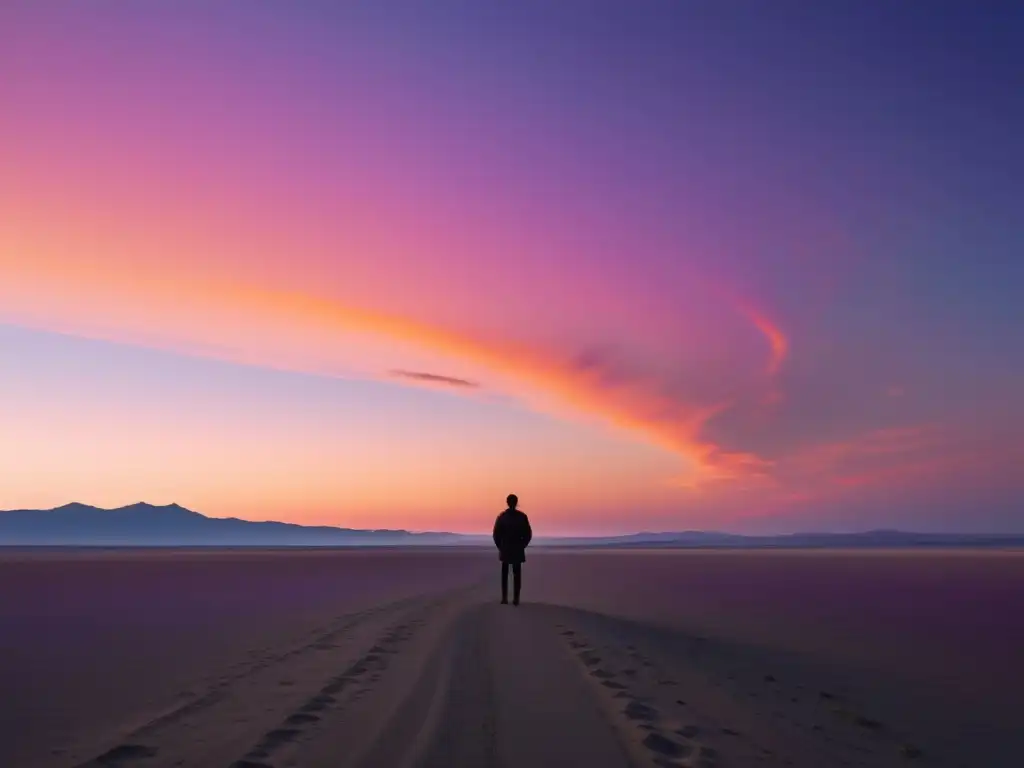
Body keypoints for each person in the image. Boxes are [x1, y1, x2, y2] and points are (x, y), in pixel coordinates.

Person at [492, 493, 532, 605]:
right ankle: (516, 599)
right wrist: (522, 545)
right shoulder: (521, 517)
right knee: (516, 574)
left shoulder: (502, 517)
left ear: (507, 502)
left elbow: (496, 534)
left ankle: (505, 598)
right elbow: (528, 534)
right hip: (516, 548)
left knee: (505, 575)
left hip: (507, 548)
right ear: (516, 502)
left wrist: (500, 546)